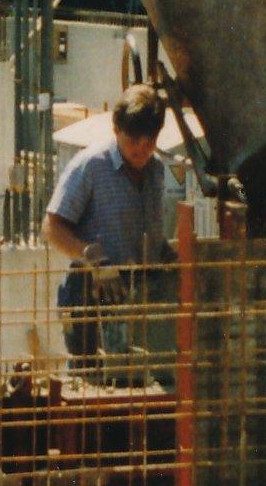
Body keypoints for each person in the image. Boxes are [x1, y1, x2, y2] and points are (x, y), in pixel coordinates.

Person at [42, 87, 174, 372]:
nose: (141, 148)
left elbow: (148, 230)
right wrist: (93, 257)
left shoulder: (156, 170)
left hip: (138, 298)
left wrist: (166, 252)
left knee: (141, 382)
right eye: (133, 140)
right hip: (91, 295)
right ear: (116, 129)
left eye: (150, 141)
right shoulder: (91, 166)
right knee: (94, 384)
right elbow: (52, 228)